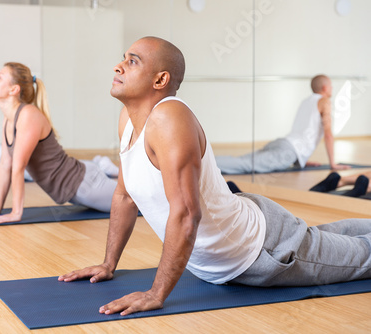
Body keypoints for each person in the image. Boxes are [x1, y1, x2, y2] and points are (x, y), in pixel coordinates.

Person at [58, 37, 371, 316]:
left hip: (263, 251)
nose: (118, 66)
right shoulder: (128, 117)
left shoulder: (169, 117)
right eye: (124, 58)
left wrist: (156, 294)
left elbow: (186, 214)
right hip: (241, 235)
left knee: (360, 256)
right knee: (333, 237)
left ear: (160, 79)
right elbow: (124, 196)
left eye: (132, 61)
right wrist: (108, 264)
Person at [0, 62, 118, 224]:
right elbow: (5, 164)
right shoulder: (8, 119)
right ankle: (103, 165)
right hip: (75, 189)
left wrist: (16, 213)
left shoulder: (28, 115)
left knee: (139, 202)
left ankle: (108, 167)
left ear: (14, 89)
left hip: (86, 185)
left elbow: (18, 167)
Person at [215, 75, 350, 174]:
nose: (332, 88)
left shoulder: (306, 101)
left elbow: (303, 131)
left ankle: (207, 161)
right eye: (331, 86)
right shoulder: (324, 101)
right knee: (244, 165)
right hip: (288, 150)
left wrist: (300, 160)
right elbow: (328, 134)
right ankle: (203, 164)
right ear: (325, 87)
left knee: (242, 160)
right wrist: (332, 163)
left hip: (283, 144)